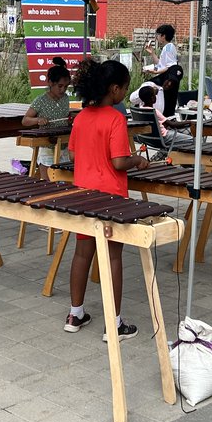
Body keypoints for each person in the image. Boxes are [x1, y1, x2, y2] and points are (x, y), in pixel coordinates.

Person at [64, 59, 150, 338]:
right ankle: (114, 324)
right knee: (113, 257)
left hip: (82, 194)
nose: (125, 93)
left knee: (82, 253)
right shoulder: (115, 117)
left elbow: (73, 156)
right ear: (114, 89)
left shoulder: (81, 116)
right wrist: (137, 160)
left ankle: (75, 314)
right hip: (110, 197)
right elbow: (118, 162)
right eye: (124, 88)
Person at [23, 64, 72, 169]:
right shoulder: (41, 100)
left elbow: (65, 118)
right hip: (47, 147)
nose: (63, 90)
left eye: (66, 87)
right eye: (60, 86)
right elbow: (25, 120)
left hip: (64, 146)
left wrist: (70, 120)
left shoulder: (65, 99)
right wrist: (38, 120)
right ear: (50, 83)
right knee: (48, 182)